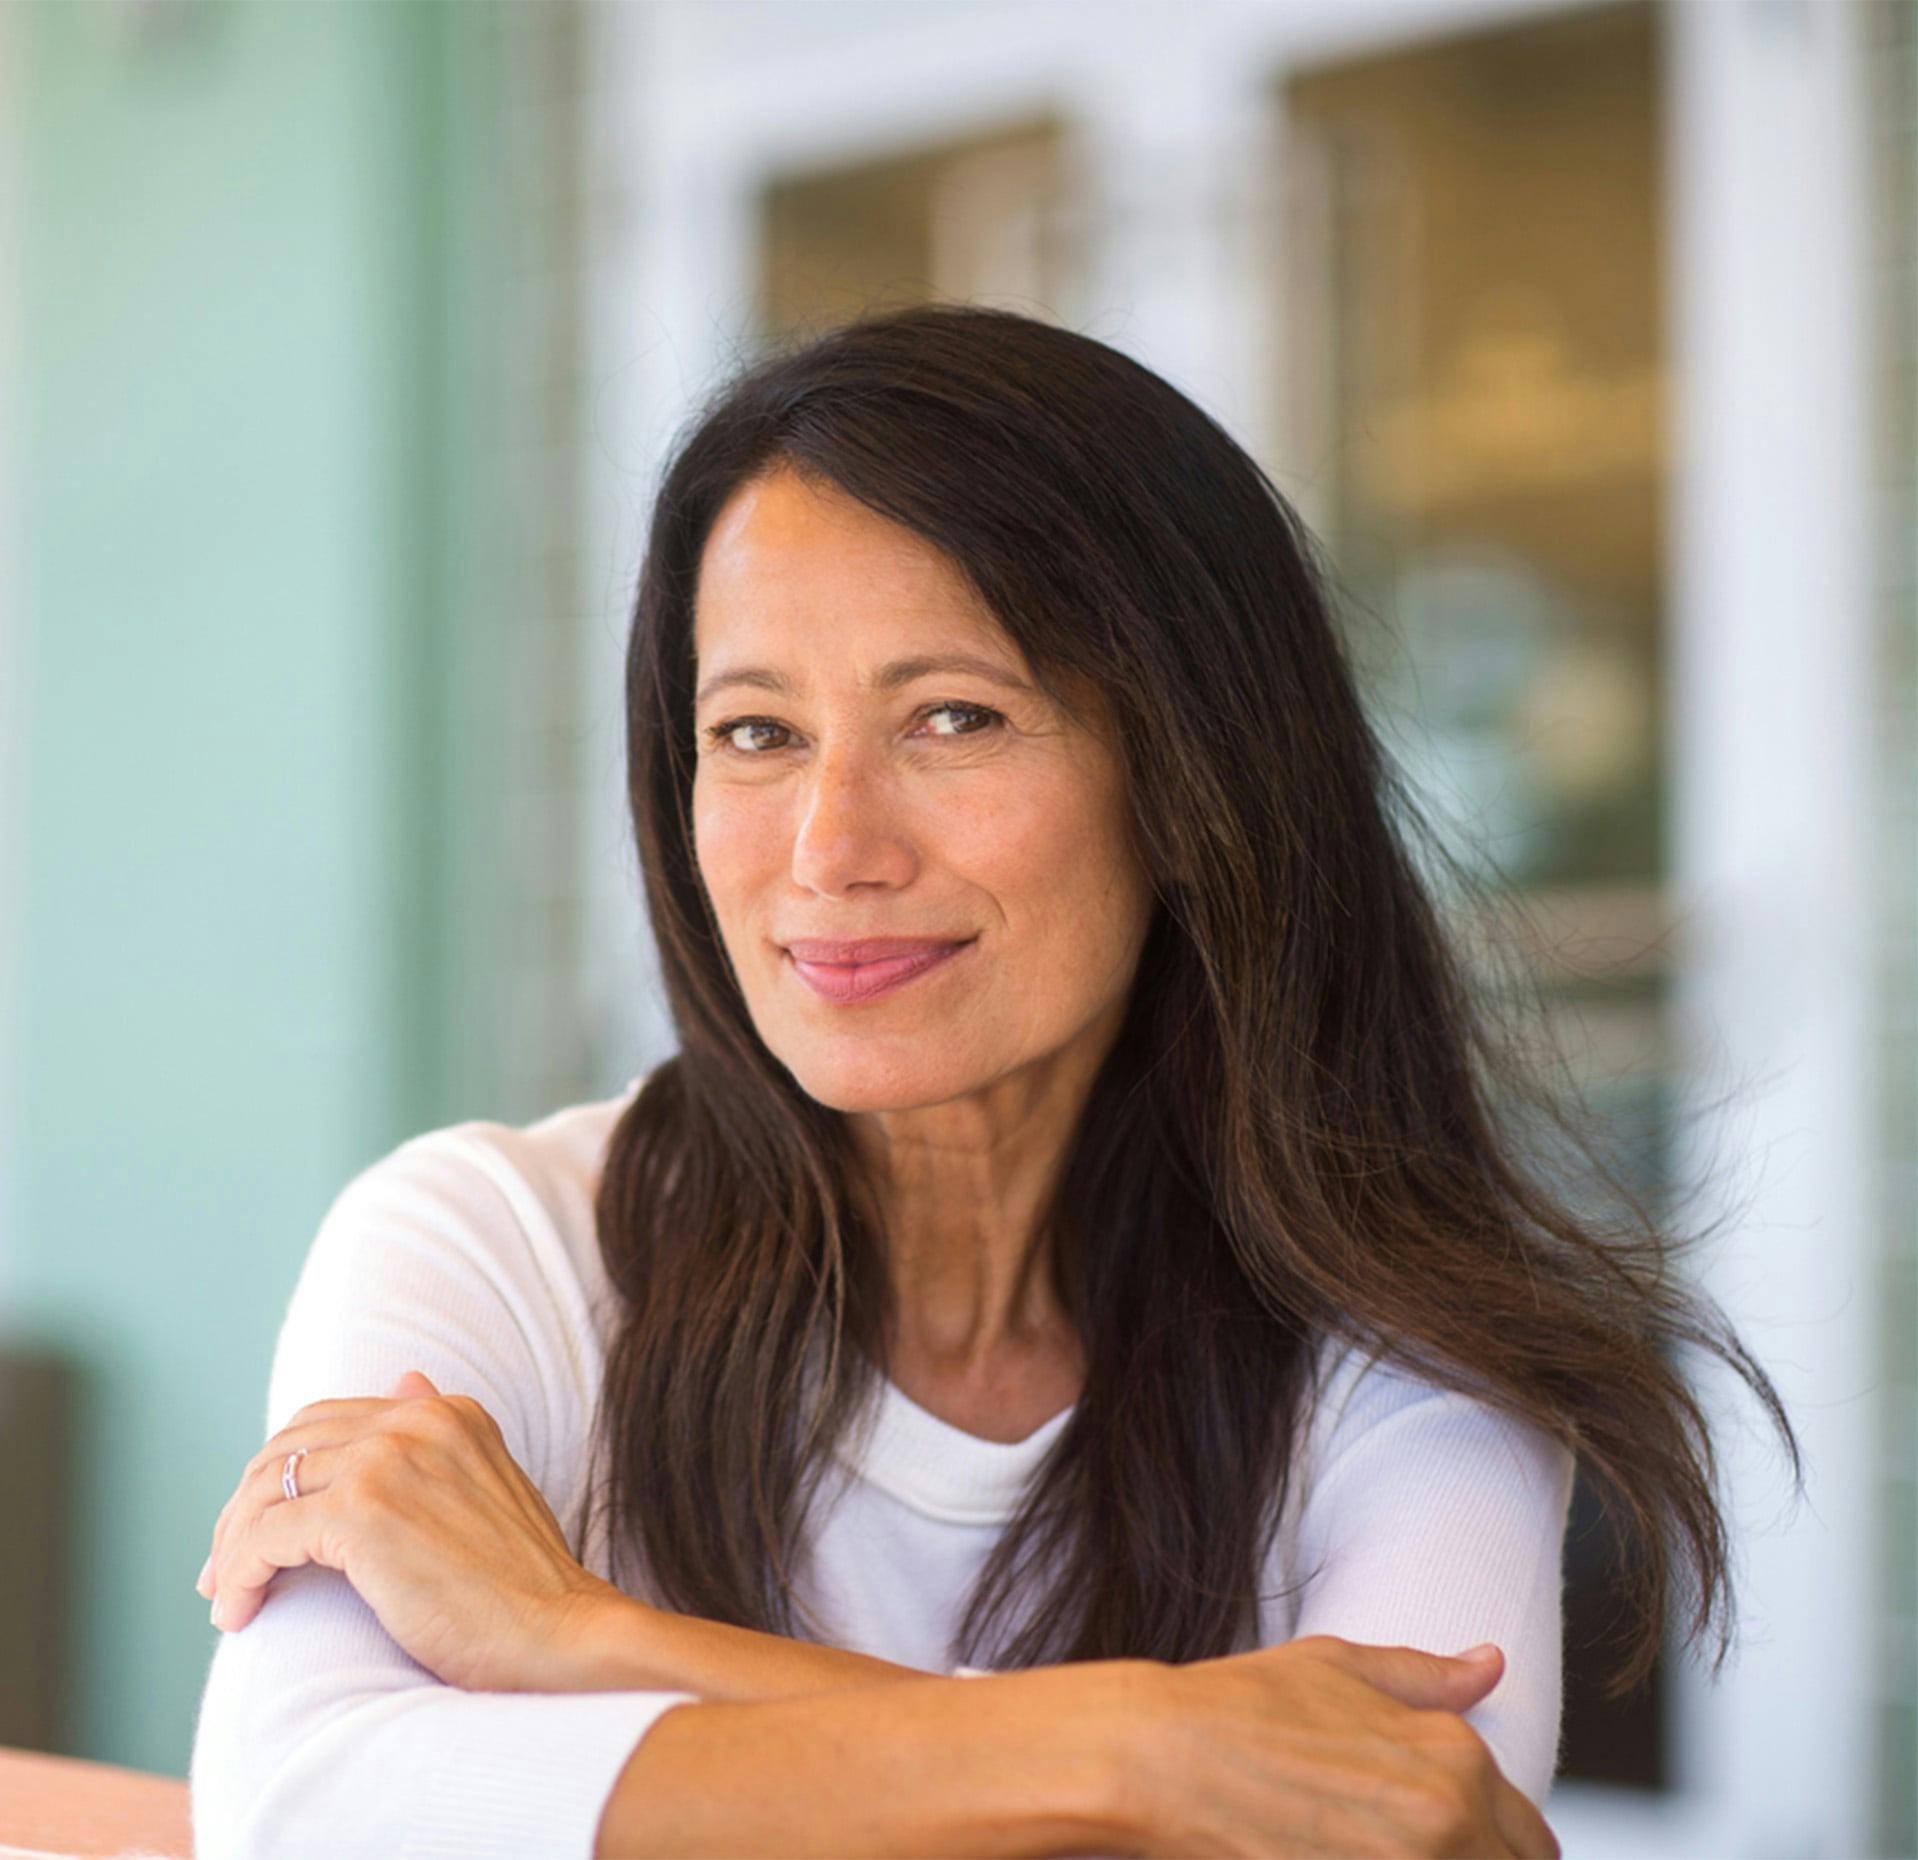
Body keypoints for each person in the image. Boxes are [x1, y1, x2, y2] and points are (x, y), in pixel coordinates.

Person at [188, 303, 1799, 1859]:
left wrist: (569, 1636)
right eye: (754, 734)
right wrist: (1151, 1757)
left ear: (1191, 775)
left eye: (953, 717)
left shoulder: (1403, 1357)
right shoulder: (491, 1241)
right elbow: (304, 1810)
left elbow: (1380, 1831)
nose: (830, 851)